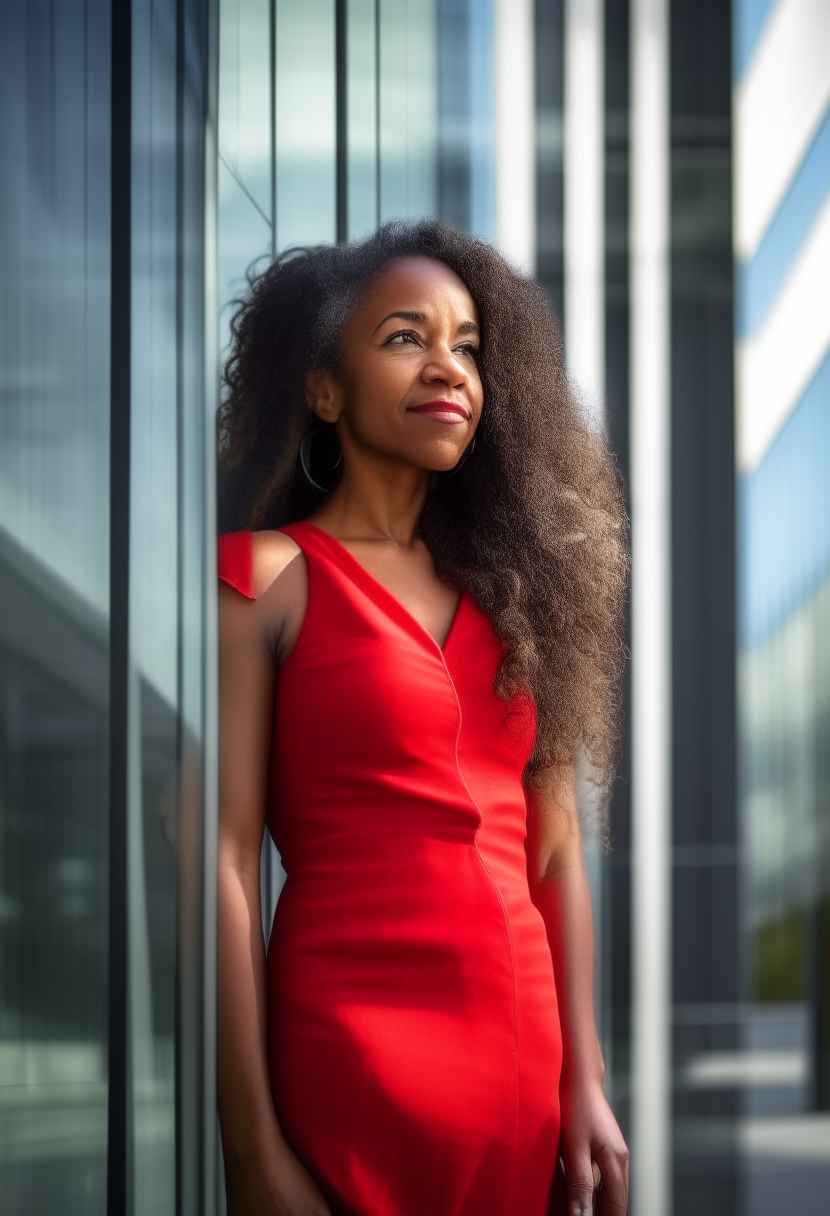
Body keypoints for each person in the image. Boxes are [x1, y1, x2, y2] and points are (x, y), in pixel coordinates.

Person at [216, 219, 629, 1216]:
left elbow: (554, 854)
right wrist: (252, 1149)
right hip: (349, 1055)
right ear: (324, 387)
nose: (446, 366)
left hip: (524, 1064)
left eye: (467, 345)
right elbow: (219, 861)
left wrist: (586, 1080)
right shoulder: (263, 581)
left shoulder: (518, 604)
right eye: (405, 336)